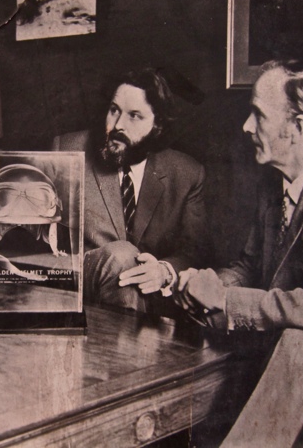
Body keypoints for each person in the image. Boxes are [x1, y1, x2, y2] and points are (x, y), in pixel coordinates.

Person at [176, 60, 303, 446]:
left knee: (298, 344)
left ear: (299, 128)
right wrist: (206, 284)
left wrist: (227, 301)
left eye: (258, 115)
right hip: (285, 340)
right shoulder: (274, 185)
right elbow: (250, 266)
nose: (246, 126)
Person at [53, 66, 211, 314]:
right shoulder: (68, 150)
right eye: (114, 110)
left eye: (134, 116)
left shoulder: (186, 173)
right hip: (80, 289)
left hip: (152, 303)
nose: (117, 125)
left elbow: (195, 252)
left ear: (158, 125)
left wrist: (164, 271)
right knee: (122, 255)